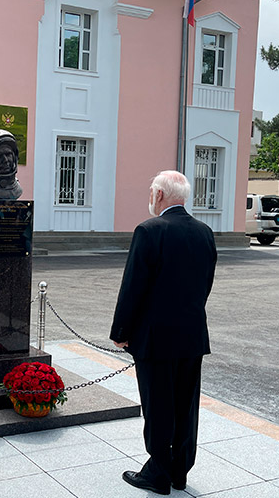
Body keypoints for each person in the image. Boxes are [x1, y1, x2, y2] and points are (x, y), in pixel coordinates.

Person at [109, 171, 217, 495]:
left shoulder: (149, 230)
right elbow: (205, 285)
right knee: (186, 405)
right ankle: (180, 471)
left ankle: (158, 472)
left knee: (158, 406)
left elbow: (133, 287)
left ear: (158, 195)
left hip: (155, 338)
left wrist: (121, 331)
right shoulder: (205, 232)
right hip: (192, 334)